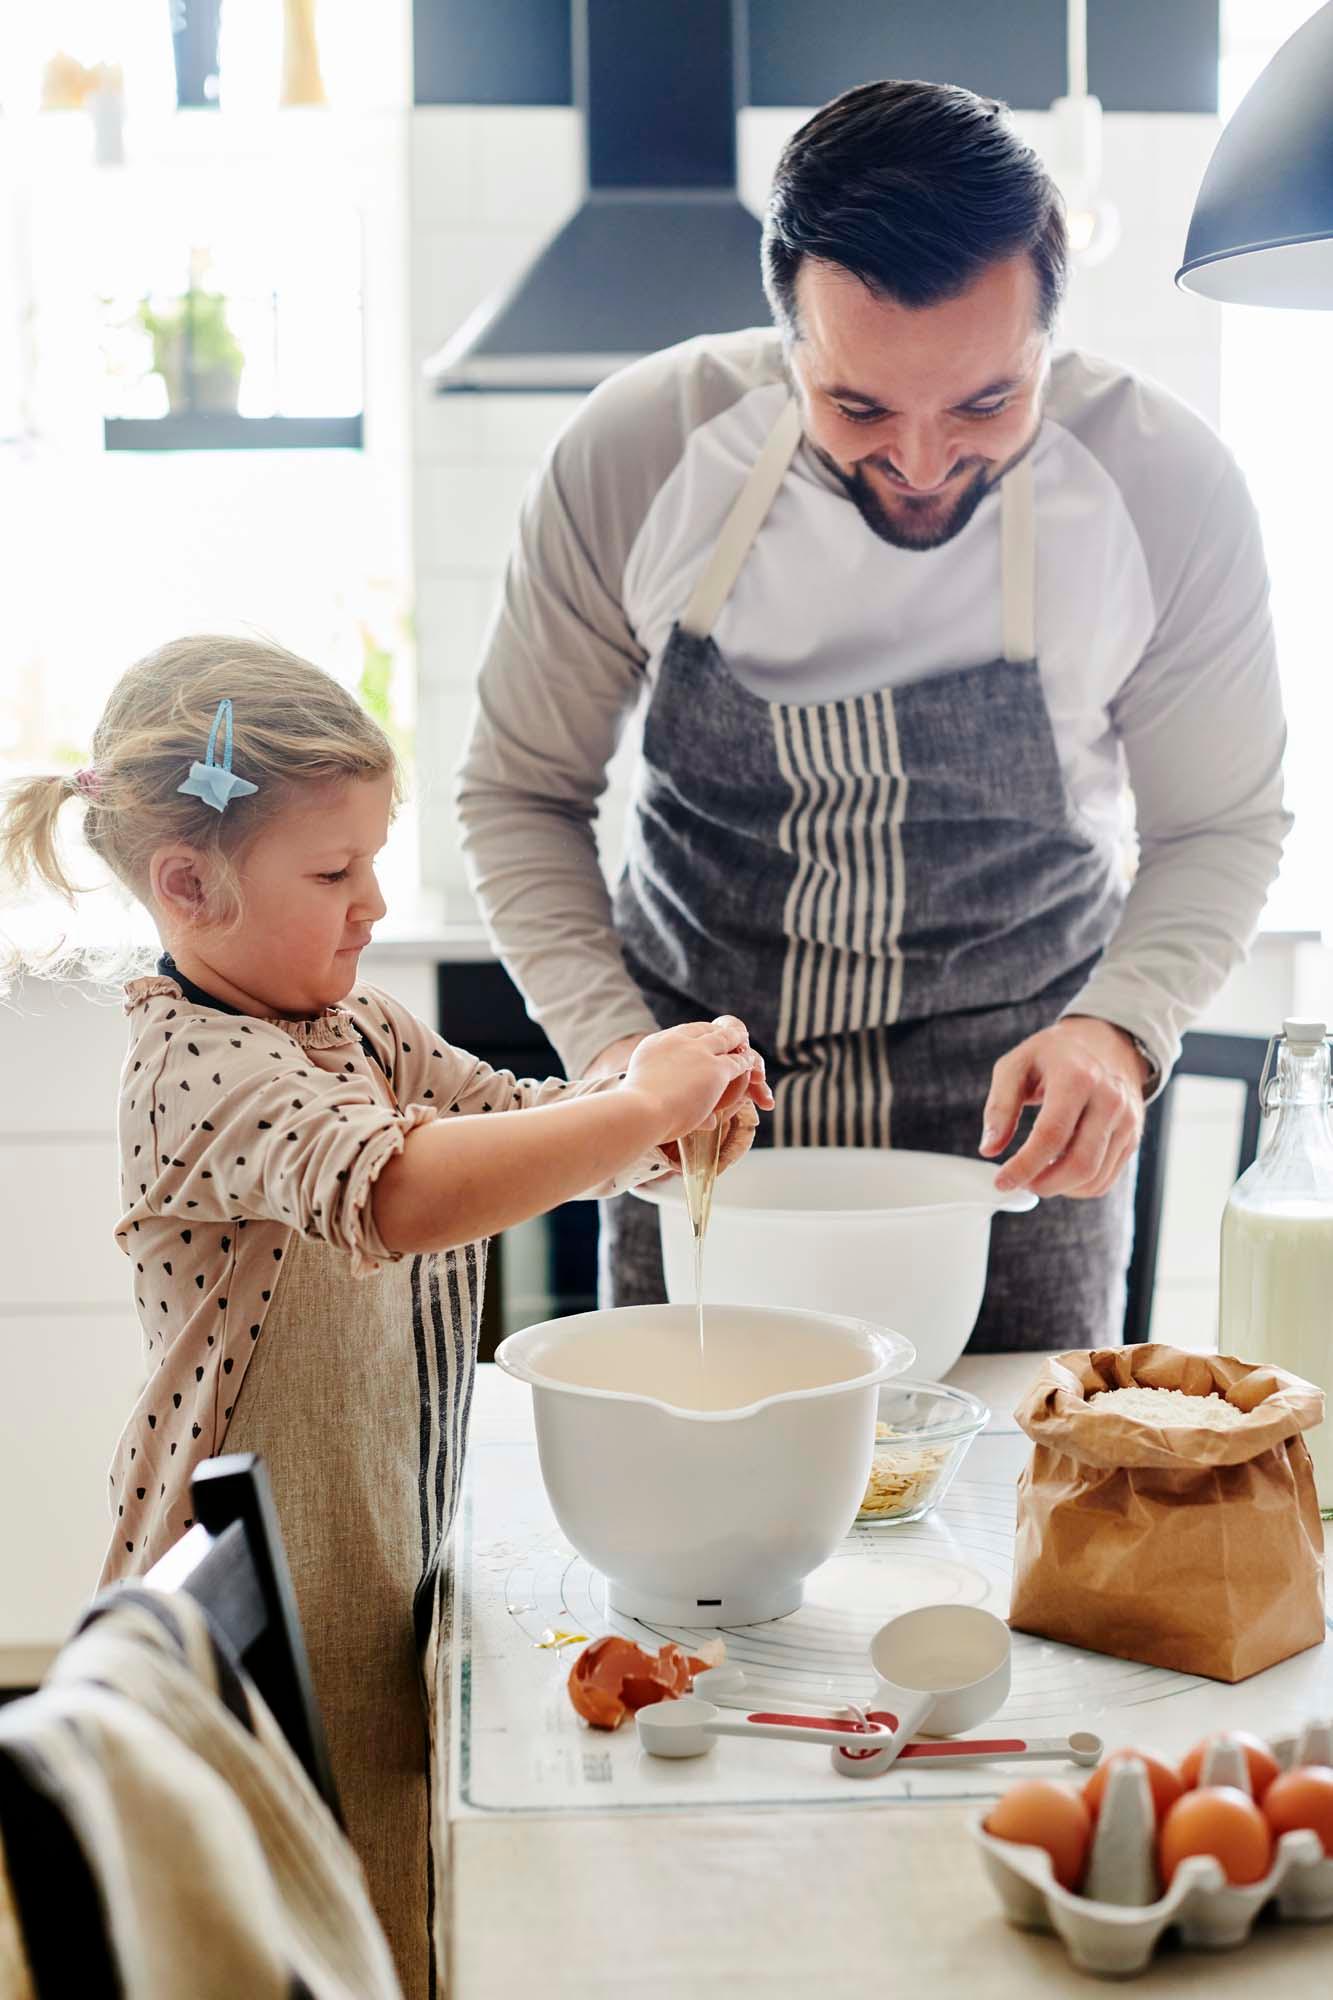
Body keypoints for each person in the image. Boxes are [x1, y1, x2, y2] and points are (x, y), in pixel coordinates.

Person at [457, 78, 1291, 1347]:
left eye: (983, 404)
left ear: (1047, 338)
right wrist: (618, 1060)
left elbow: (1222, 825)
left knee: (1022, 1523)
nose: (918, 462)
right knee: (709, 1513)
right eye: (856, 407)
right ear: (785, 329)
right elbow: (517, 794)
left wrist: (1120, 1031)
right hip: (705, 1151)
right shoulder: (635, 453)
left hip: (1015, 1160)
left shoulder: (1163, 487)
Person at [0, 635, 769, 1998]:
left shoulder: (349, 1023)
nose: (370, 904)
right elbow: (404, 1190)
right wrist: (634, 1105)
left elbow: (517, 1124)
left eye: (374, 861)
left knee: (398, 1868)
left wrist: (658, 1126)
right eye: (333, 872)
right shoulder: (201, 1068)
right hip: (254, 1578)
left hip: (371, 1527)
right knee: (307, 1910)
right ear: (188, 887)